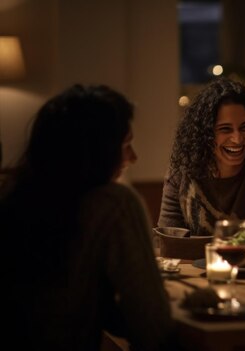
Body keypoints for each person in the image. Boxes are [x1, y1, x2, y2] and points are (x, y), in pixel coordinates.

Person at [1, 85, 176, 350]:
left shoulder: (14, 197)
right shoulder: (113, 205)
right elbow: (154, 328)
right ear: (96, 152)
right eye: (126, 145)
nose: (133, 158)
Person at [159, 77, 245, 235]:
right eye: (225, 129)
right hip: (190, 261)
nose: (238, 139)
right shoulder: (181, 173)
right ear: (205, 134)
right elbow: (167, 241)